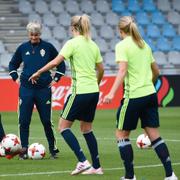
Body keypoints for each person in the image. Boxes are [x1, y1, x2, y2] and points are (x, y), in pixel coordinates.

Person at [104, 16, 178, 180]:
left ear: (120, 31)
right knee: (154, 135)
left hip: (133, 97)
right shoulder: (144, 45)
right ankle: (170, 175)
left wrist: (111, 93)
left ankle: (130, 177)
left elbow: (122, 71)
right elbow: (157, 72)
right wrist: (148, 84)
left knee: (121, 135)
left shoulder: (122, 46)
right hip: (150, 95)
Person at [29, 14, 104, 175]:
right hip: (93, 91)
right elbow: (101, 69)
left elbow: (55, 62)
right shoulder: (93, 44)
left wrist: (38, 72)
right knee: (87, 129)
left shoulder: (72, 43)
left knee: (63, 127)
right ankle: (97, 167)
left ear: (72, 28)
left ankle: (83, 161)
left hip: (80, 91)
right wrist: (95, 84)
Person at [8, 21, 66, 160]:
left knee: (46, 121)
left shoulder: (48, 47)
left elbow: (61, 65)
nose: (34, 37)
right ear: (28, 34)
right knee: (24, 120)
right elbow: (12, 64)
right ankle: (24, 150)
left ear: (40, 34)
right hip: (26, 89)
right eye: (32, 34)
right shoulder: (23, 48)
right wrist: (15, 78)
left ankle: (53, 149)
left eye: (37, 34)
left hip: (43, 90)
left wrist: (55, 79)